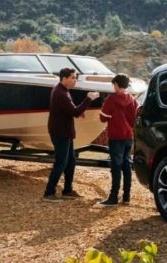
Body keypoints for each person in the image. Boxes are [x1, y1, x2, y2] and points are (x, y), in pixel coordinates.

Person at [42, 68, 100, 202]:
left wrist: (79, 111)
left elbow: (70, 109)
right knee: (61, 162)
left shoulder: (63, 90)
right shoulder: (60, 93)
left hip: (65, 131)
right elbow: (73, 111)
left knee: (71, 161)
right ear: (64, 78)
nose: (75, 80)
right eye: (73, 77)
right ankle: (48, 193)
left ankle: (67, 190)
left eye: (75, 77)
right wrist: (88, 99)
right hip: (60, 132)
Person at [98, 73, 138, 206]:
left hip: (116, 137)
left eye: (113, 84)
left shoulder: (111, 99)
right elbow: (136, 118)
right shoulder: (133, 99)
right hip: (128, 137)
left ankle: (113, 198)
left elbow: (103, 117)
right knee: (126, 166)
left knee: (116, 167)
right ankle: (126, 197)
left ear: (116, 84)